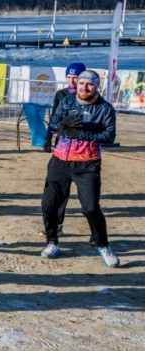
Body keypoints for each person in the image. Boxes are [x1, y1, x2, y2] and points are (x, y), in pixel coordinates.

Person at [41, 69, 118, 266]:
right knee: (49, 204)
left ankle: (102, 244)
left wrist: (82, 134)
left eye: (90, 84)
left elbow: (109, 137)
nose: (84, 87)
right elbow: (53, 125)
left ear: (96, 86)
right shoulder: (67, 101)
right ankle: (52, 242)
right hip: (60, 160)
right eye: (81, 83)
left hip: (87, 162)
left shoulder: (105, 108)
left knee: (90, 208)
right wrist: (62, 125)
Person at [41, 61, 85, 237]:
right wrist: (48, 137)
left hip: (82, 147)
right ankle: (57, 223)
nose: (72, 80)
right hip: (63, 144)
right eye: (69, 77)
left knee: (85, 194)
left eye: (76, 77)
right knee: (59, 186)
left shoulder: (89, 96)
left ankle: (93, 223)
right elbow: (54, 118)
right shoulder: (61, 95)